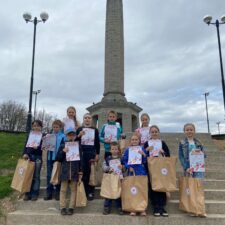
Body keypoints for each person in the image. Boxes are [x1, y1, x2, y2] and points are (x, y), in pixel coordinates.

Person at [144, 125, 170, 217]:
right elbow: (142, 156)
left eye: (156, 131)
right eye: (152, 132)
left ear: (158, 132)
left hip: (161, 167)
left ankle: (162, 206)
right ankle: (156, 206)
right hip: (151, 166)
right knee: (153, 186)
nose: (154, 133)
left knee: (161, 186)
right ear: (150, 133)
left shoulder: (162, 142)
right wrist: (146, 150)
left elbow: (168, 156)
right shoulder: (147, 143)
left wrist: (163, 153)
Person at [56, 128, 83, 215]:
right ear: (66, 136)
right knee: (63, 190)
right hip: (65, 171)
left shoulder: (78, 146)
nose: (71, 136)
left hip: (74, 171)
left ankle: (71, 207)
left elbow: (81, 160)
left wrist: (80, 171)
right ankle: (62, 207)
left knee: (73, 190)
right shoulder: (62, 146)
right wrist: (63, 152)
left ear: (75, 136)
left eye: (73, 135)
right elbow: (58, 159)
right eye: (69, 135)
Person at [122, 133, 148, 216]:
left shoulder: (142, 148)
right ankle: (133, 208)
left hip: (141, 170)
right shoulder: (128, 150)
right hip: (131, 171)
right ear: (130, 141)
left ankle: (142, 208)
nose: (134, 141)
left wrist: (144, 155)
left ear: (139, 140)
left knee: (141, 190)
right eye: (133, 140)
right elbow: (124, 160)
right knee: (132, 190)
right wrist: (128, 166)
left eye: (136, 139)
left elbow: (145, 161)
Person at [76, 113, 100, 201]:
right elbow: (75, 141)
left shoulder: (95, 130)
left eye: (89, 118)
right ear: (83, 119)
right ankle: (84, 191)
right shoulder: (79, 129)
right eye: (85, 118)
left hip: (91, 153)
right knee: (83, 172)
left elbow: (97, 143)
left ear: (91, 119)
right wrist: (79, 135)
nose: (87, 119)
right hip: (82, 153)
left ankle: (91, 192)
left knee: (91, 173)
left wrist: (97, 154)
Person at [43, 119, 65, 201]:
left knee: (57, 175)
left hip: (58, 159)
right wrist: (44, 143)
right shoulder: (49, 136)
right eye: (54, 127)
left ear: (60, 127)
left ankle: (57, 192)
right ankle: (49, 192)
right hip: (50, 158)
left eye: (57, 127)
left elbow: (63, 146)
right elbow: (45, 147)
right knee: (49, 175)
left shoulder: (63, 136)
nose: (55, 128)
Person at [23, 120, 43, 201]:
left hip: (38, 156)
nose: (36, 127)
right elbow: (25, 145)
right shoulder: (30, 135)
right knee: (28, 175)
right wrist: (25, 153)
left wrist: (38, 147)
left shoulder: (43, 136)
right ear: (32, 127)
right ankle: (27, 193)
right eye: (34, 126)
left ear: (41, 127)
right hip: (29, 156)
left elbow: (45, 147)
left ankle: (35, 193)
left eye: (38, 126)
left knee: (36, 176)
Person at [102, 142, 123, 215]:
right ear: (110, 150)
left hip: (119, 179)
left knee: (118, 193)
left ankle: (120, 207)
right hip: (110, 178)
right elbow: (104, 167)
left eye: (116, 149)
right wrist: (108, 169)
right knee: (109, 193)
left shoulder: (121, 159)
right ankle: (106, 207)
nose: (114, 150)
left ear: (118, 150)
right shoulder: (107, 158)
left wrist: (122, 167)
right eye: (112, 149)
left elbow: (124, 169)